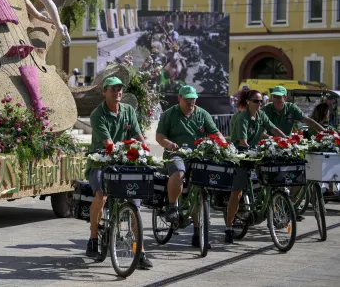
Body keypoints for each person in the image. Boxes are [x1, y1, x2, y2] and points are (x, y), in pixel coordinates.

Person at [84, 76, 152, 269]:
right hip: (100, 160)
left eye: (119, 89)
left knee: (135, 206)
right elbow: (108, 145)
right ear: (104, 92)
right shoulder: (98, 114)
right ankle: (93, 238)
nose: (117, 92)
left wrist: (146, 151)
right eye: (113, 89)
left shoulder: (128, 110)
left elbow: (138, 135)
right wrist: (126, 150)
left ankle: (141, 253)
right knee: (101, 196)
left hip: (124, 159)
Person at [155, 85, 225, 248]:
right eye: (187, 99)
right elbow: (159, 136)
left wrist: (223, 144)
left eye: (193, 99)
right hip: (176, 153)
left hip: (198, 154)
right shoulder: (169, 114)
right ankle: (172, 207)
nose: (190, 102)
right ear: (179, 98)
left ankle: (198, 231)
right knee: (179, 171)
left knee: (198, 189)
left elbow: (215, 132)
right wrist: (168, 143)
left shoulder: (202, 114)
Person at [225, 89, 285, 243]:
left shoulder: (261, 115)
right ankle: (229, 227)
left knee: (269, 177)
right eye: (256, 101)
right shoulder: (242, 118)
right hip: (241, 156)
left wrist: (287, 140)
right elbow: (242, 141)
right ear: (248, 102)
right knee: (236, 193)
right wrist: (253, 150)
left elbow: (273, 129)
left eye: (261, 101)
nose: (260, 104)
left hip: (256, 155)